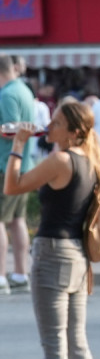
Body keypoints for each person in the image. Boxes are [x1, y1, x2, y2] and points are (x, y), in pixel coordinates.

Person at [5, 102, 100, 359]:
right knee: (78, 343)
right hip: (78, 256)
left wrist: (18, 146)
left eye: (57, 122)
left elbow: (13, 187)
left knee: (54, 346)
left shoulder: (61, 160)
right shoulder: (91, 161)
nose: (49, 126)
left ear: (74, 131)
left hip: (52, 253)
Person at [0, 53, 36, 295]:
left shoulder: (7, 94)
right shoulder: (23, 90)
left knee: (1, 221)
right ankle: (21, 274)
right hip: (24, 165)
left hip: (6, 164)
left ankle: (1, 277)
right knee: (17, 220)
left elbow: (11, 129)